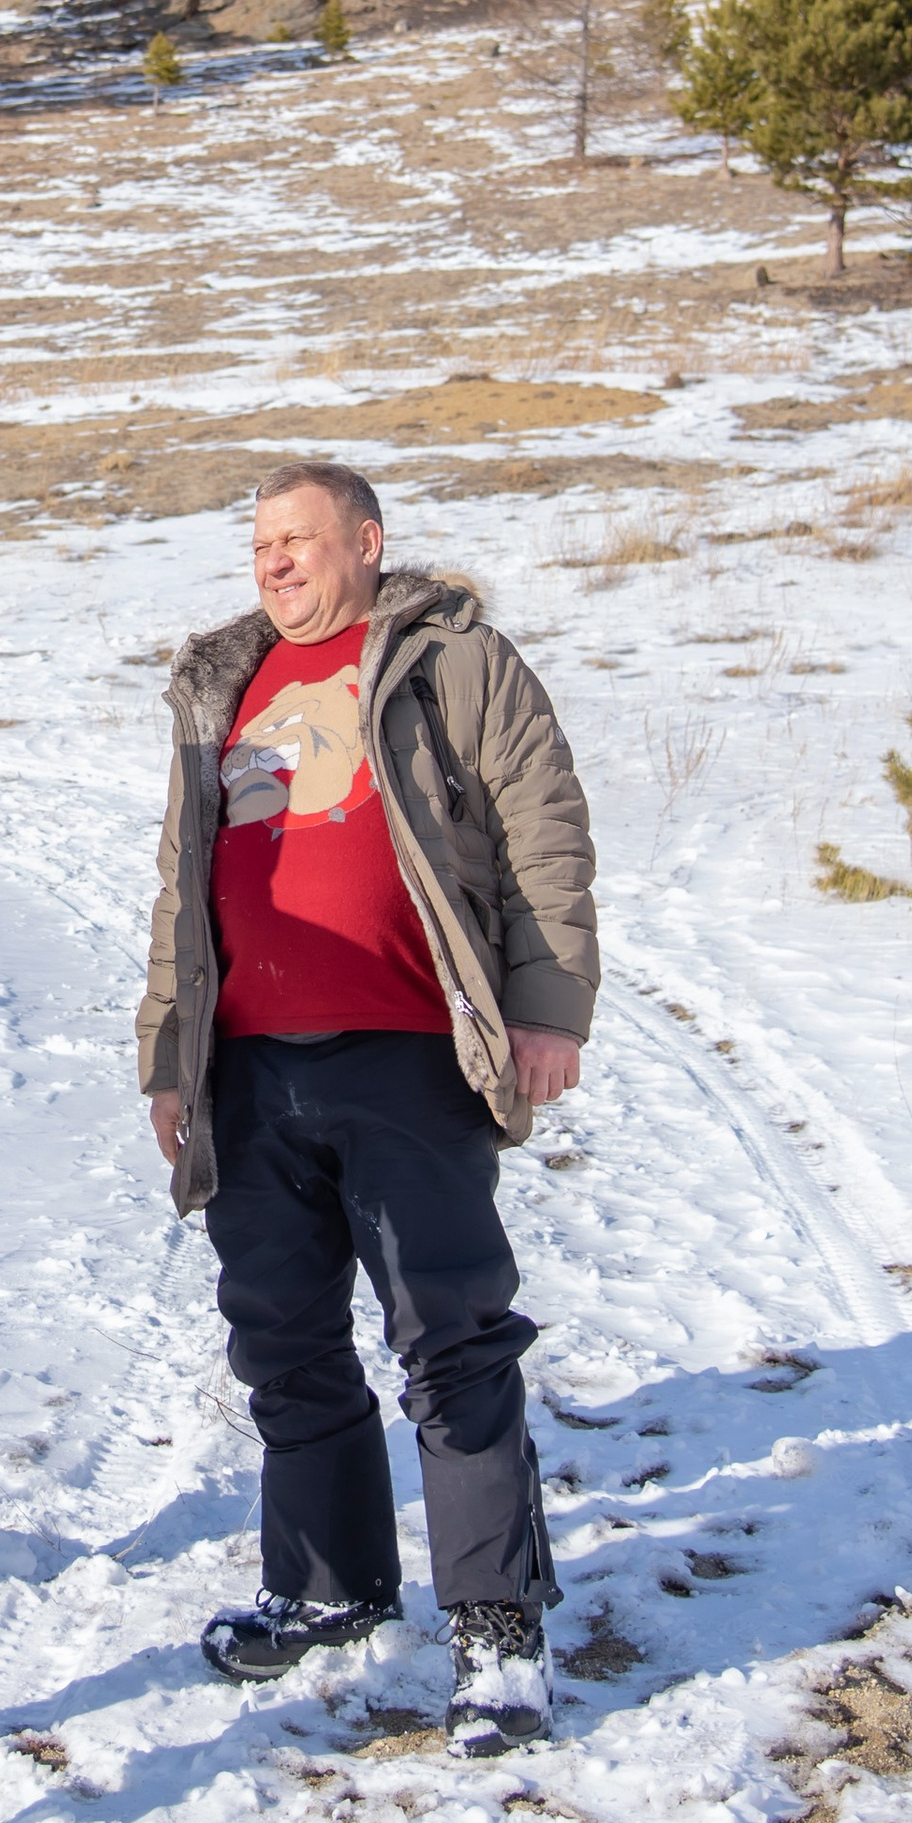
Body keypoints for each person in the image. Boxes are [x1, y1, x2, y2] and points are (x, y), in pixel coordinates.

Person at [137, 458, 596, 1755]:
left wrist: (549, 1003)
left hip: (404, 1050)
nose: (276, 562)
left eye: (299, 538)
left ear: (367, 541)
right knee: (282, 1340)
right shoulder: (220, 691)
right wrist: (171, 1058)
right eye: (260, 545)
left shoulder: (453, 662)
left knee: (447, 1335)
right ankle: (329, 1585)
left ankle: (498, 1630)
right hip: (250, 1068)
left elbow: (543, 827)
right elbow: (184, 894)